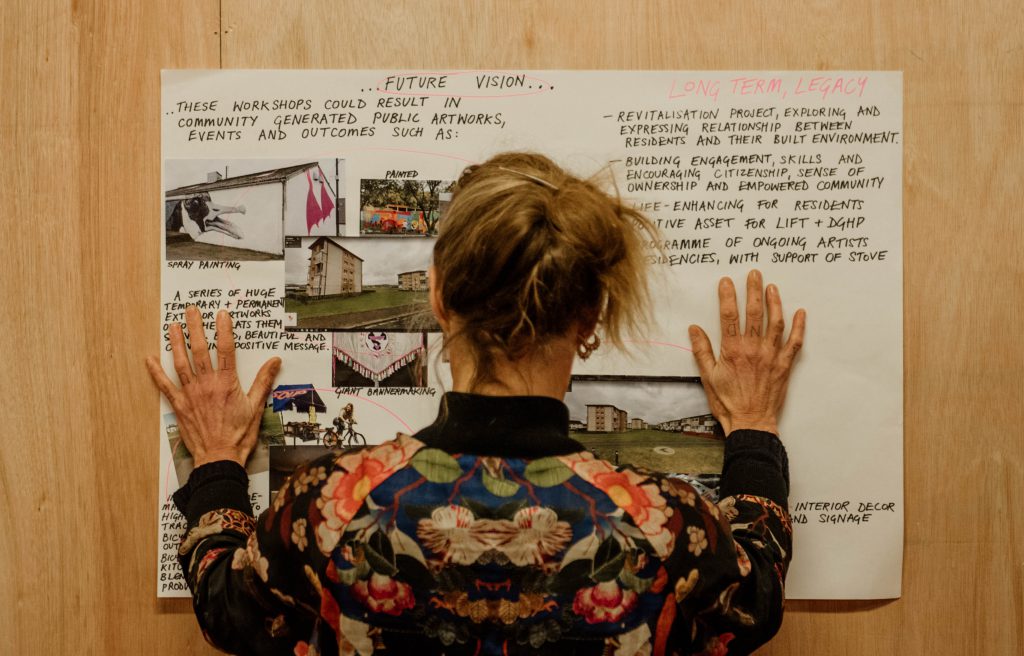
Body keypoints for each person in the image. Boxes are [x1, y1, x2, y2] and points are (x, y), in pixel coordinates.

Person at [147, 152, 805, 656]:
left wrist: (215, 471)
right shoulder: (664, 523)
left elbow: (227, 604)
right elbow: (757, 600)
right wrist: (750, 430)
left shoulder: (329, 506)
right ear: (589, 317)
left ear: (438, 298)